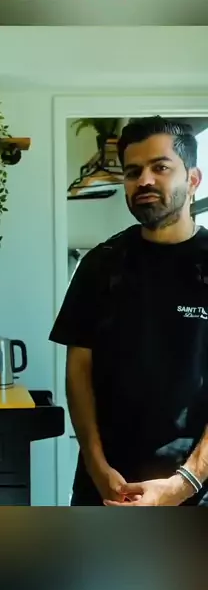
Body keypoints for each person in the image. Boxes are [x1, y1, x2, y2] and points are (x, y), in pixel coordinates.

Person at [50, 116, 208, 506]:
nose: (144, 181)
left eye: (160, 167)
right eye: (133, 172)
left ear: (192, 180)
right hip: (106, 487)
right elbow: (79, 371)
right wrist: (96, 466)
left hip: (195, 486)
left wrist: (183, 484)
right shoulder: (100, 264)